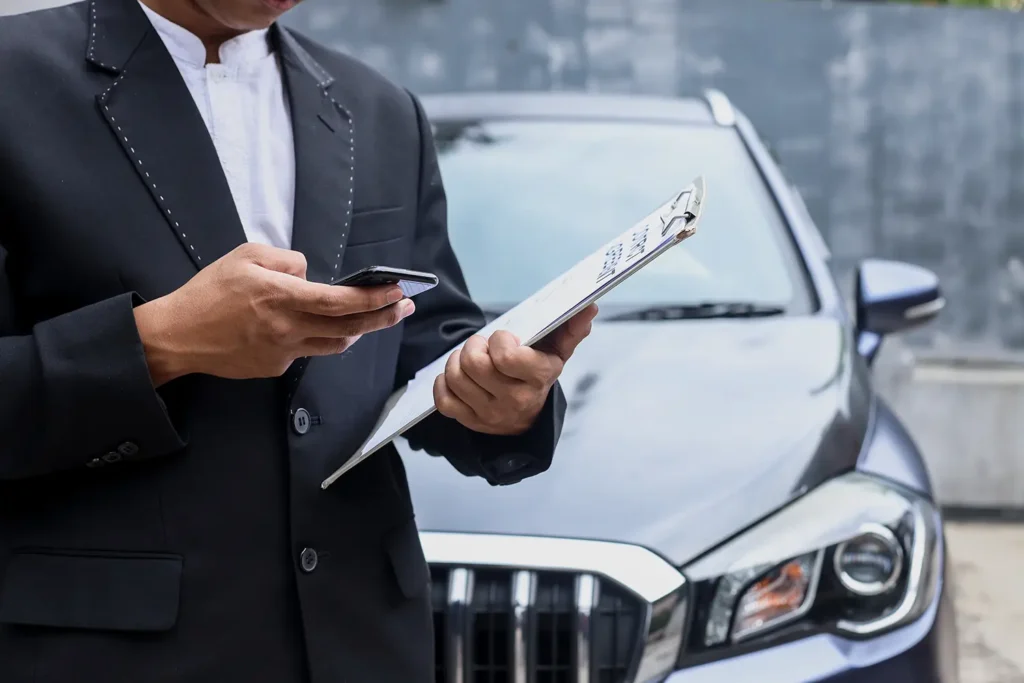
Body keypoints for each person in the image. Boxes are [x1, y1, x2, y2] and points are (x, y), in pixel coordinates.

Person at [0, 1, 597, 681]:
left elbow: (426, 335)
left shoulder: (380, 109)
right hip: (108, 651)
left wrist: (505, 399)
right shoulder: (14, 78)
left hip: (363, 645)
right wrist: (161, 343)